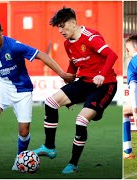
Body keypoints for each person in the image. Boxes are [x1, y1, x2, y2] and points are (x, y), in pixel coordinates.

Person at [0, 19, 74, 170]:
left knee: (24, 131)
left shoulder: (15, 47)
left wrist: (62, 73)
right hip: (1, 86)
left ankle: (19, 159)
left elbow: (42, 55)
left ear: (2, 31)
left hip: (22, 89)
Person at [32, 7, 118, 174]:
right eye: (58, 27)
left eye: (63, 26)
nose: (61, 30)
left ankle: (73, 164)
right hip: (84, 82)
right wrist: (69, 78)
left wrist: (101, 74)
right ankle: (49, 147)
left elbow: (112, 55)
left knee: (80, 121)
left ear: (73, 23)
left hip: (105, 84)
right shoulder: (67, 44)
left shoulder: (91, 37)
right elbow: (74, 64)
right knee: (50, 102)